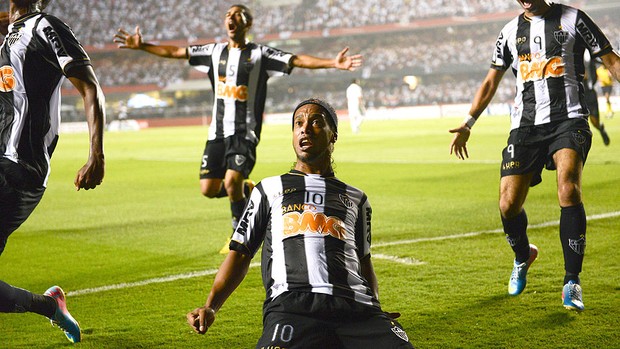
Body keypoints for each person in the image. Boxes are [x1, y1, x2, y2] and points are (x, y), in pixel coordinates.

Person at [113, 4, 363, 253]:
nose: (230, 18)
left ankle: (237, 235)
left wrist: (333, 62)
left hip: (245, 133)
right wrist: (142, 46)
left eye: (237, 15)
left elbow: (295, 59)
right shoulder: (213, 51)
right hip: (217, 134)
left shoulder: (260, 54)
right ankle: (246, 189)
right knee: (208, 189)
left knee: (231, 181)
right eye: (227, 15)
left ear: (247, 23)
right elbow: (177, 51)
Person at [186, 98, 414, 348]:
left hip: (357, 310)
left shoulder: (357, 199)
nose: (305, 128)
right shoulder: (268, 189)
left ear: (333, 136)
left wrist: (376, 307)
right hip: (293, 308)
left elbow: (363, 261)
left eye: (316, 122)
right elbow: (240, 254)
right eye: (298, 123)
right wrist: (211, 306)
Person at [449, 0, 620, 312]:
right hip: (525, 127)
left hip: (569, 120)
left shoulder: (574, 18)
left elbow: (610, 60)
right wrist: (468, 122)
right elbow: (491, 81)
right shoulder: (509, 32)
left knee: (568, 188)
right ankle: (522, 255)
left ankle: (572, 281)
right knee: (507, 204)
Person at [0, 0, 106, 343]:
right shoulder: (12, 32)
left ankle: (50, 308)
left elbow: (89, 86)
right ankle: (50, 307)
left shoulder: (46, 26)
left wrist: (96, 154)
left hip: (20, 167)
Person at [584, 52, 610, 145]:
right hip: (575, 92)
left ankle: (600, 128)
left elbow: (601, 58)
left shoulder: (588, 53)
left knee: (594, 121)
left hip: (589, 92)